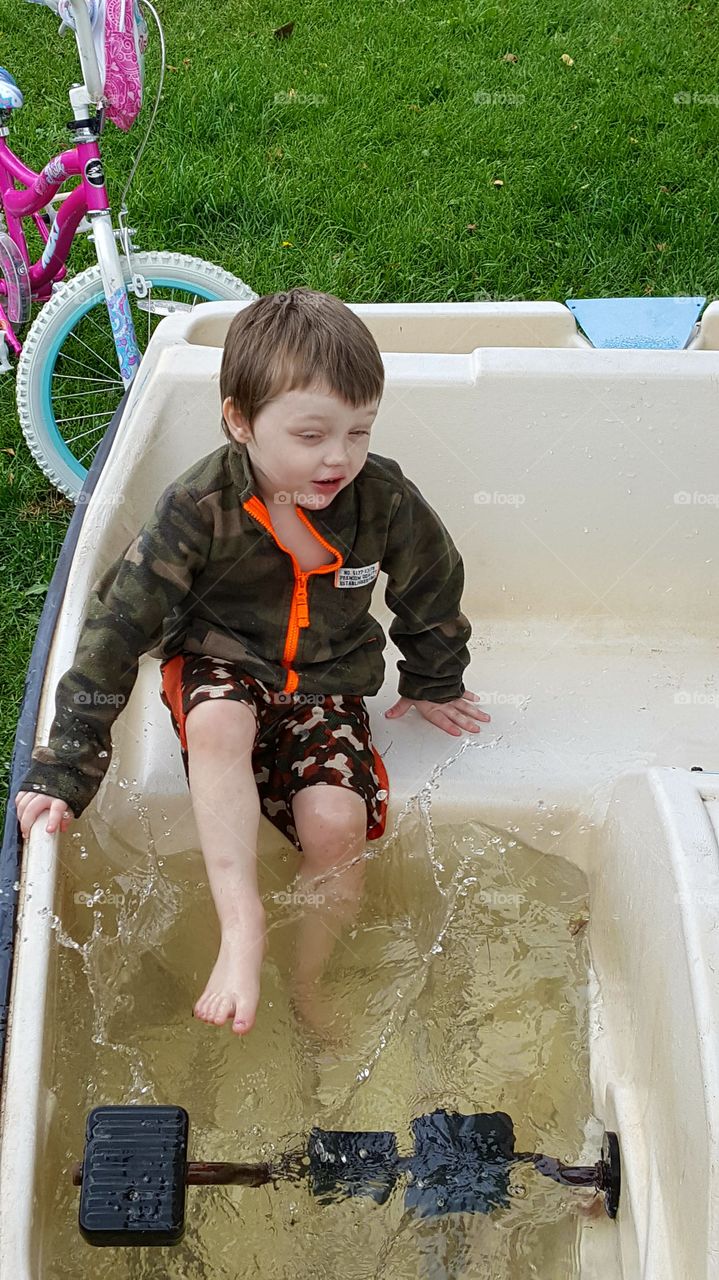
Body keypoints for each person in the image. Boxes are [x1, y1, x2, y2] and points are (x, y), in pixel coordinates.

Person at [14, 287, 490, 1036]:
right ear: (240, 421)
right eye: (311, 434)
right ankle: (243, 930)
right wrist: (69, 764)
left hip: (325, 683)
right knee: (219, 726)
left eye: (358, 431)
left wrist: (435, 678)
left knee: (336, 825)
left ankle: (307, 983)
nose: (338, 457)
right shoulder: (199, 507)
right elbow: (117, 625)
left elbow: (431, 577)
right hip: (220, 661)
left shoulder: (381, 498)